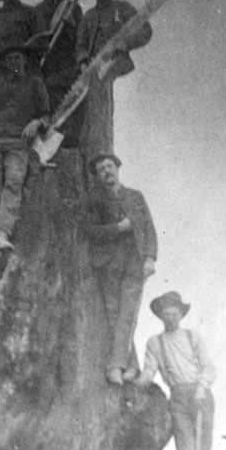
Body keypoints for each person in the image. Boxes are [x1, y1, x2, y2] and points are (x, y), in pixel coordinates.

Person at [136, 292, 217, 450]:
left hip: (201, 395)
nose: (170, 317)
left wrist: (201, 387)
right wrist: (136, 382)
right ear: (161, 316)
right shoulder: (155, 343)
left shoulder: (193, 337)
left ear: (181, 314)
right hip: (178, 398)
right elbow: (149, 371)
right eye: (166, 314)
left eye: (174, 313)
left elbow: (209, 367)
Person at [82, 152, 157, 385]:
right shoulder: (94, 201)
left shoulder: (135, 197)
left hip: (134, 264)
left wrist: (150, 258)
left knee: (127, 314)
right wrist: (118, 227)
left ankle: (115, 366)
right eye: (101, 169)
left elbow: (149, 229)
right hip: (109, 264)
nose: (107, 171)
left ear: (117, 169)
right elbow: (91, 231)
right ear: (97, 176)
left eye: (110, 166)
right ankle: (132, 366)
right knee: (116, 316)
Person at [0, 45, 50, 250]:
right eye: (10, 59)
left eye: (18, 58)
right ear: (5, 63)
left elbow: (46, 115)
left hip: (18, 142)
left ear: (25, 60)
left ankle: (3, 232)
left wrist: (36, 123)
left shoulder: (35, 85)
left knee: (14, 181)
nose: (14, 63)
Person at [75, 0, 152, 152]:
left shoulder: (122, 8)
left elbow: (145, 30)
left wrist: (126, 44)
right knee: (90, 113)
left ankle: (104, 152)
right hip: (92, 71)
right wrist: (84, 62)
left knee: (105, 112)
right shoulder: (89, 17)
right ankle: (91, 152)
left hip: (116, 66)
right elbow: (80, 45)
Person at [31, 0, 83, 144]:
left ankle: (70, 135)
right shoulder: (36, 11)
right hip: (45, 62)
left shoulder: (73, 7)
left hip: (67, 61)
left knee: (69, 96)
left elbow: (81, 39)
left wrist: (70, 27)